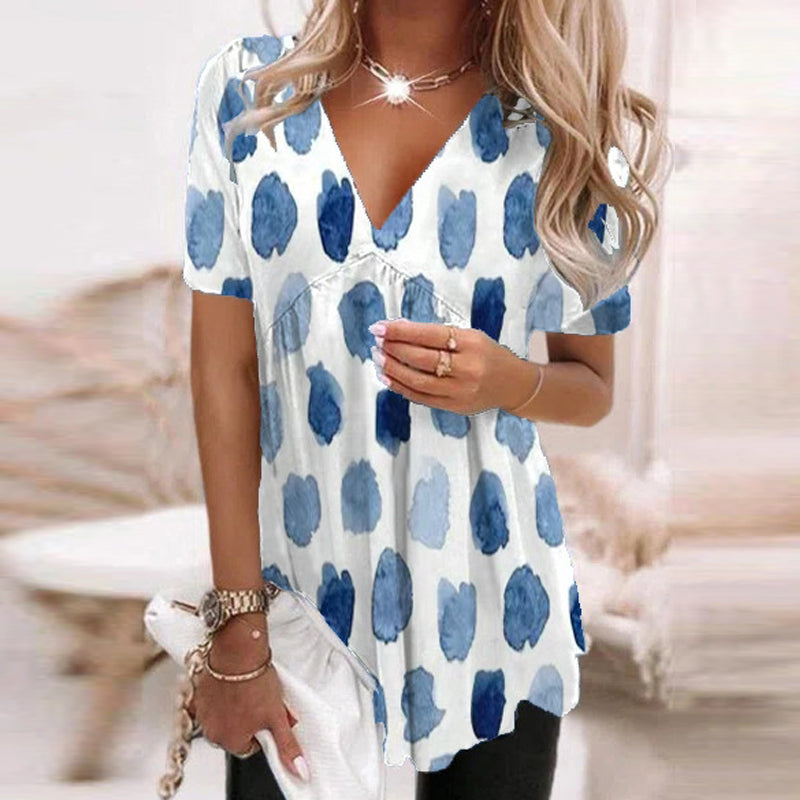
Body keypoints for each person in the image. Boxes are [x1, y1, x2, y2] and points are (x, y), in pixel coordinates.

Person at [182, 1, 672, 798]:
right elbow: (222, 369)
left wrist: (507, 380)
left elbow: (591, 389)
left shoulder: (561, 128)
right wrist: (239, 626)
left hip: (499, 604)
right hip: (296, 600)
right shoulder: (247, 91)